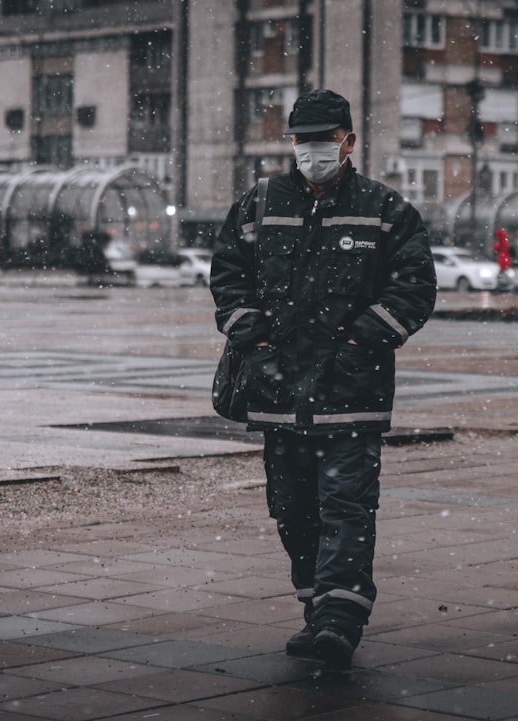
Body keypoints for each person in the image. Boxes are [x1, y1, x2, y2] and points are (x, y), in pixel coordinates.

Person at [210, 89, 437, 671]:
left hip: (351, 397)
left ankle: (340, 620)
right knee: (293, 511)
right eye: (302, 140)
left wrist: (362, 343)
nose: (312, 151)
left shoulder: (384, 209)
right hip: (279, 396)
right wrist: (254, 341)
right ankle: (316, 609)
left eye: (324, 140)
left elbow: (414, 287)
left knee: (346, 508)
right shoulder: (260, 203)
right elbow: (228, 275)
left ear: (349, 142)